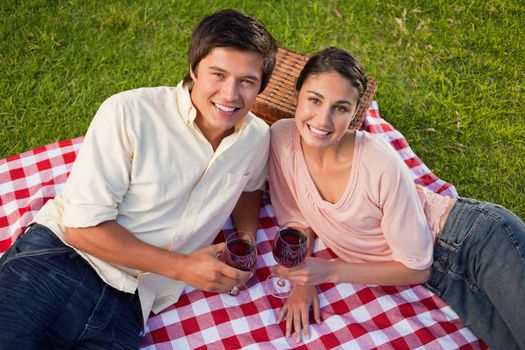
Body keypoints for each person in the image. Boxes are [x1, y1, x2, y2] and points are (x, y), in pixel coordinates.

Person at [0, 9, 277, 349]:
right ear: (193, 69)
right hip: (60, 264)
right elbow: (81, 229)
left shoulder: (257, 138)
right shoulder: (129, 113)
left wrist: (246, 239)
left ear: (261, 85)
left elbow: (249, 186)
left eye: (246, 81)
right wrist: (183, 269)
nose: (231, 94)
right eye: (217, 74)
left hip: (130, 305)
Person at [268, 47, 525, 349]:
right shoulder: (282, 139)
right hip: (444, 281)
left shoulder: (378, 161)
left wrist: (327, 272)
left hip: (475, 241)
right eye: (314, 99)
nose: (323, 120)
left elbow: (417, 267)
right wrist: (302, 281)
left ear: (355, 113)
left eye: (340, 108)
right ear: (297, 94)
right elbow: (297, 219)